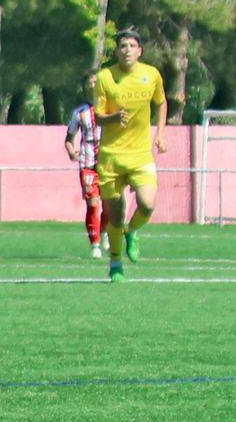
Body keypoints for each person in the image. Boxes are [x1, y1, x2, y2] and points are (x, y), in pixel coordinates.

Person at [93, 28, 168, 282]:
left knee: (147, 203)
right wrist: (113, 117)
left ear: (140, 51)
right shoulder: (105, 77)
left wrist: (160, 133)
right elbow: (98, 117)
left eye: (132, 46)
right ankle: (115, 263)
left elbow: (161, 102)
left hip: (140, 155)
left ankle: (132, 231)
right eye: (122, 46)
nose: (127, 50)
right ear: (116, 51)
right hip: (111, 157)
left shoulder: (151, 75)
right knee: (115, 213)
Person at [63, 92, 105, 258]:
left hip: (108, 165)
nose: (94, 87)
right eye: (90, 84)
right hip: (87, 165)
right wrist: (72, 152)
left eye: (97, 83)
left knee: (109, 206)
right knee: (93, 204)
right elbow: (68, 138)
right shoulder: (79, 112)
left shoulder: (112, 108)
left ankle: (105, 232)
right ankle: (95, 245)